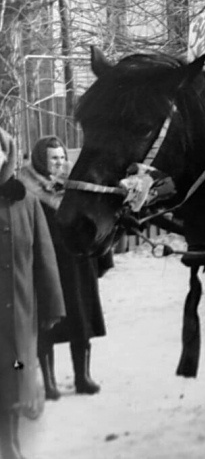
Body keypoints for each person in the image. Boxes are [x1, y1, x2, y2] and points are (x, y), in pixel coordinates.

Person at [19, 136, 111, 398]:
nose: (59, 163)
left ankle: (83, 377)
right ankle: (49, 383)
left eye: (61, 157)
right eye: (53, 159)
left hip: (79, 264)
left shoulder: (76, 187)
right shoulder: (27, 191)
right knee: (47, 321)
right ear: (39, 160)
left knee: (80, 320)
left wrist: (102, 258)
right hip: (45, 266)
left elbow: (97, 222)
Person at [0, 129, 65, 459]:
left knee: (13, 384)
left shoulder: (25, 200)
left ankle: (11, 445)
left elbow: (44, 255)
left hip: (19, 313)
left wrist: (52, 305)